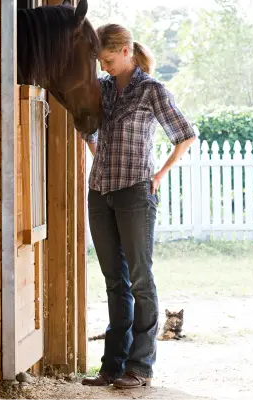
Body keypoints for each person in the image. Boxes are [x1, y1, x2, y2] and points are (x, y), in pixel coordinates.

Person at [81, 24, 196, 389]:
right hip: (99, 191)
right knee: (115, 281)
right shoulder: (101, 89)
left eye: (109, 59)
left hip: (135, 193)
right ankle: (111, 367)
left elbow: (185, 133)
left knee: (140, 279)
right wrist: (101, 157)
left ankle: (140, 367)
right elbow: (89, 131)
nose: (104, 66)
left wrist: (158, 174)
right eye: (100, 60)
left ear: (127, 51)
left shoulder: (152, 90)